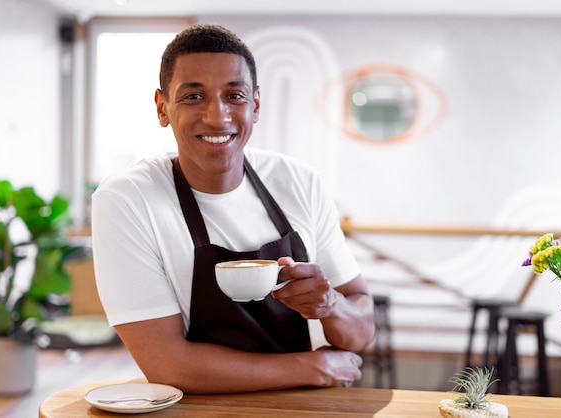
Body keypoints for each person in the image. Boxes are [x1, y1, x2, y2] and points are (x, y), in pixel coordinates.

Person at [91, 23, 375, 394]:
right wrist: (312, 367)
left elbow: (362, 328)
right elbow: (167, 364)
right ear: (162, 108)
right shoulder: (128, 199)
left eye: (234, 96)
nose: (217, 116)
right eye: (193, 97)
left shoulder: (300, 183)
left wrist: (330, 304)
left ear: (255, 105)